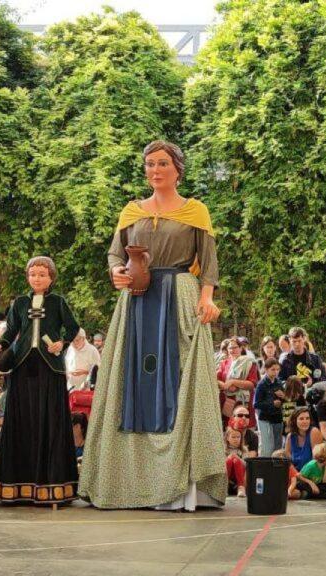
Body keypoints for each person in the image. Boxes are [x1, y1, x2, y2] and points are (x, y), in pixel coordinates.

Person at [79, 142, 225, 510]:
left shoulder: (196, 211)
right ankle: (126, 481)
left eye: (163, 163)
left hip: (178, 297)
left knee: (180, 382)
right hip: (137, 302)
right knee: (129, 382)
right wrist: (116, 271)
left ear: (178, 168)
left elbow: (208, 262)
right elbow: (116, 252)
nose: (155, 170)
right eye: (149, 164)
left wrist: (206, 298)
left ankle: (182, 486)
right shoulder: (132, 211)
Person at [0, 256, 80, 506]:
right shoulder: (19, 303)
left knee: (50, 421)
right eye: (33, 274)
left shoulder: (59, 302)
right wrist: (1, 345)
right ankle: (16, 488)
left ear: (51, 277)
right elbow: (10, 330)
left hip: (50, 368)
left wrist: (63, 343)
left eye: (42, 274)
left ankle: (52, 487)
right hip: (22, 367)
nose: (37, 278)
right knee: (22, 420)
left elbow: (73, 328)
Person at [217, 337, 259, 427]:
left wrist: (233, 382)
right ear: (227, 350)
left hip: (243, 404)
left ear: (240, 348)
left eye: (235, 347)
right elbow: (216, 379)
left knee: (244, 432)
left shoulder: (249, 362)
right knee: (229, 432)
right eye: (230, 348)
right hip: (227, 404)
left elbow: (252, 384)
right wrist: (224, 385)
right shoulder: (224, 363)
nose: (233, 350)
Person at [254, 358, 285, 456]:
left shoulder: (279, 382)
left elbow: (285, 400)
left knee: (278, 447)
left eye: (277, 369)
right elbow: (256, 404)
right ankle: (265, 468)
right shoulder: (261, 384)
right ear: (266, 369)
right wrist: (272, 403)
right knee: (267, 447)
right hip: (265, 418)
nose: (275, 372)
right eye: (273, 369)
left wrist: (283, 397)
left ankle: (276, 468)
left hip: (277, 418)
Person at [285, 407, 323, 472]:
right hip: (296, 474)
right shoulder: (290, 436)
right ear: (295, 420)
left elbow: (316, 461)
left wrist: (301, 477)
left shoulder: (314, 432)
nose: (305, 421)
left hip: (311, 473)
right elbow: (288, 461)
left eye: (307, 418)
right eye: (301, 419)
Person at [224, 426, 250, 498]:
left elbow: (246, 465)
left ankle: (241, 487)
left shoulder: (244, 450)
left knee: (236, 460)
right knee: (229, 460)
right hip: (227, 474)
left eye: (238, 437)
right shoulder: (224, 450)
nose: (236, 439)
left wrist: (237, 458)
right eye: (233, 437)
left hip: (240, 475)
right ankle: (224, 487)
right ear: (227, 438)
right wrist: (230, 457)